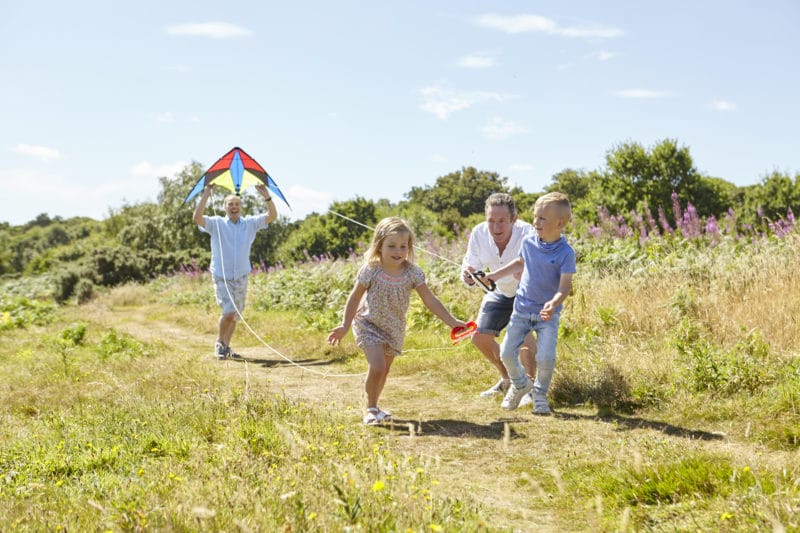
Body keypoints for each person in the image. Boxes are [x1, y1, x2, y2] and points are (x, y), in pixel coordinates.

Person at [327, 216, 467, 425]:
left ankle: (375, 405)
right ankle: (370, 409)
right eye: (391, 246)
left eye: (403, 246)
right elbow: (355, 297)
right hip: (368, 323)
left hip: (394, 328)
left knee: (384, 370)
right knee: (378, 366)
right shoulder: (371, 269)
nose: (398, 251)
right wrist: (345, 325)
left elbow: (430, 300)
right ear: (379, 246)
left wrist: (453, 321)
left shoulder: (413, 273)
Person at [485, 192, 576, 415]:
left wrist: (554, 303)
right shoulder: (528, 243)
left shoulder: (566, 253)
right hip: (522, 310)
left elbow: (565, 287)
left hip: (547, 315)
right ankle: (520, 384)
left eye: (542, 219)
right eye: (535, 217)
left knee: (545, 357)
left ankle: (540, 395)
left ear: (560, 223)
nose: (536, 222)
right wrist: (494, 276)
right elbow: (520, 263)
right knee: (506, 353)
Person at [461, 193, 538, 403]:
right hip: (499, 292)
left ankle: (529, 390)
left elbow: (524, 263)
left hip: (526, 292)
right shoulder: (478, 233)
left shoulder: (527, 232)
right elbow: (470, 264)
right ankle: (509, 380)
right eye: (491, 221)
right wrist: (469, 276)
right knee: (479, 337)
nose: (496, 227)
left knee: (524, 334)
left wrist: (494, 275)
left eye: (502, 221)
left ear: (514, 219)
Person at [193, 183, 277, 360]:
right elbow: (197, 217)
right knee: (229, 312)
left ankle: (226, 346)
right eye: (230, 204)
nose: (234, 207)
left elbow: (272, 216)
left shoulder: (250, 223)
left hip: (241, 275)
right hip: (222, 275)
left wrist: (266, 196)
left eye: (237, 204)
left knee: (235, 315)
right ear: (224, 207)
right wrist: (207, 193)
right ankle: (219, 343)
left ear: (240, 207)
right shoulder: (216, 223)